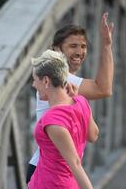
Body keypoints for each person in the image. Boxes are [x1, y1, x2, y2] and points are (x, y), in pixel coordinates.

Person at [26, 12, 114, 183]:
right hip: (47, 172)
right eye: (73, 46)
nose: (80, 51)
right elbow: (104, 89)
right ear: (56, 50)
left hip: (58, 171)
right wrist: (107, 45)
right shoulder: (57, 80)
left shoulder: (73, 92)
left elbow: (93, 134)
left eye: (83, 46)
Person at [28, 50, 99, 189]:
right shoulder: (81, 102)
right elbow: (93, 135)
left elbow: (76, 164)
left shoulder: (52, 120)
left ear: (46, 81)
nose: (33, 85)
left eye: (35, 79)